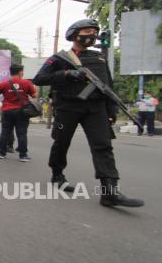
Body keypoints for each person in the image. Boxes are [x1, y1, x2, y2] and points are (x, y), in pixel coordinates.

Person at [33, 19, 144, 207]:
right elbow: (40, 78)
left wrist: (111, 110)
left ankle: (109, 192)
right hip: (68, 107)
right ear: (75, 34)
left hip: (96, 108)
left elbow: (108, 85)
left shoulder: (99, 57)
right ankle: (57, 175)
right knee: (61, 142)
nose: (92, 35)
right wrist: (67, 74)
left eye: (94, 32)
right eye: (87, 31)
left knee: (103, 146)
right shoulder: (60, 58)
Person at [0, 64, 37, 162]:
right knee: (21, 133)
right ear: (20, 72)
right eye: (22, 71)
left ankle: (2, 153)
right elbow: (34, 95)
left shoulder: (3, 84)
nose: (23, 73)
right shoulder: (26, 83)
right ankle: (23, 155)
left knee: (5, 132)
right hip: (21, 112)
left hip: (7, 111)